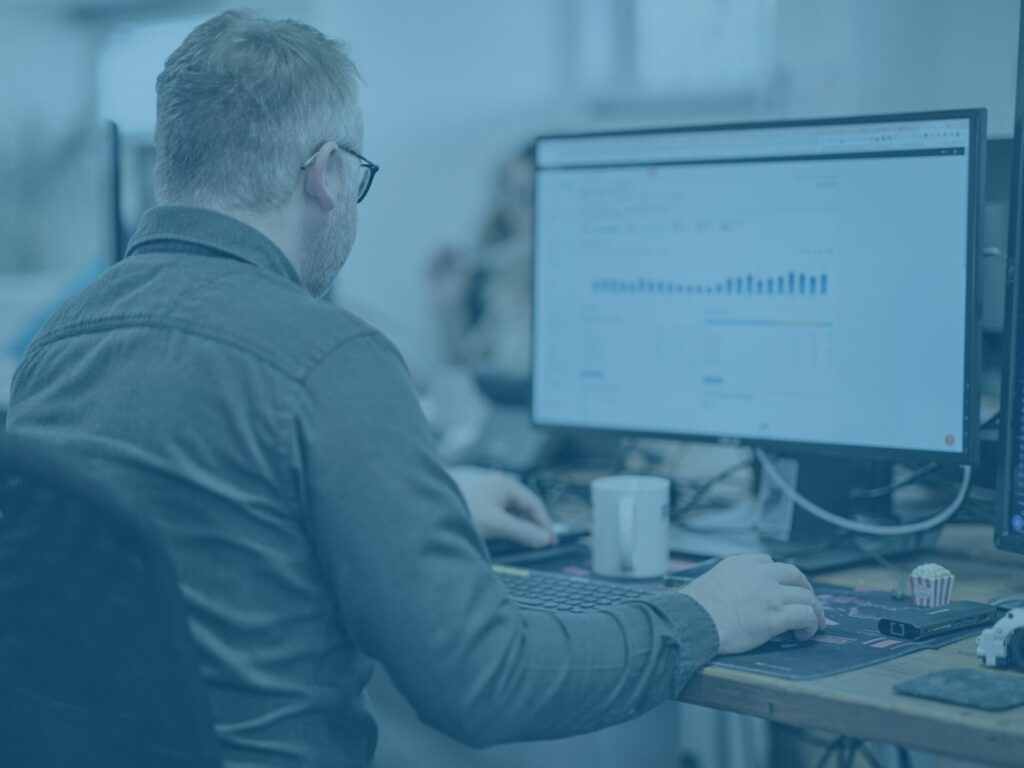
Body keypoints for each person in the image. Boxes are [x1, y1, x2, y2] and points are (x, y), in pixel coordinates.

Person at [5, 11, 824, 768]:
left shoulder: (61, 344)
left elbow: (185, 534)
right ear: (327, 173)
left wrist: (408, 508)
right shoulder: (331, 356)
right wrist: (703, 615)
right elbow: (487, 684)